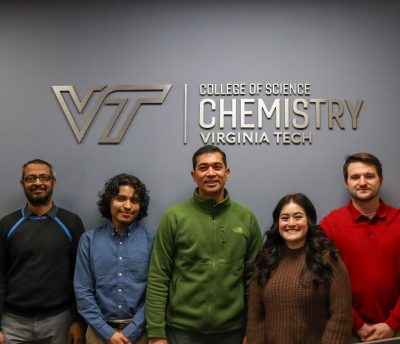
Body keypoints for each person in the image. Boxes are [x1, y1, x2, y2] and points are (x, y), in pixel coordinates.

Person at [146, 145, 262, 344]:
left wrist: (252, 329)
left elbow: (254, 280)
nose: (211, 173)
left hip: (232, 332)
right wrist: (156, 334)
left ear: (227, 173)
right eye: (203, 167)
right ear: (193, 175)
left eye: (217, 167)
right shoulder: (174, 217)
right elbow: (159, 276)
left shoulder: (246, 218)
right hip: (181, 331)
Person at [247, 193, 352, 344]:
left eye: (298, 217)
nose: (291, 223)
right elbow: (255, 319)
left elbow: (341, 316)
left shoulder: (328, 260)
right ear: (277, 223)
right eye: (285, 218)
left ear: (308, 220)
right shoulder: (265, 262)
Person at [0, 159, 86, 344]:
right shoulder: (7, 224)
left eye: (44, 177)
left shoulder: (71, 223)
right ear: (22, 184)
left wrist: (78, 320)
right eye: (31, 178)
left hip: (59, 321)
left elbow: (80, 276)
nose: (38, 183)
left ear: (53, 182)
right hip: (12, 323)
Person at [320, 152, 400, 342]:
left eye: (369, 176)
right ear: (346, 182)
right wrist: (357, 324)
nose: (362, 182)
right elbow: (323, 283)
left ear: (380, 180)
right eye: (355, 177)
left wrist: (392, 323)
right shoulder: (329, 225)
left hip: (397, 330)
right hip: (348, 331)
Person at [74, 173, 154, 344]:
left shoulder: (152, 240)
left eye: (134, 200)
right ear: (109, 202)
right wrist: (107, 333)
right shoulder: (89, 240)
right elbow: (83, 291)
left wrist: (131, 331)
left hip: (141, 334)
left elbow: (156, 292)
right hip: (98, 334)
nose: (127, 206)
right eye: (120, 198)